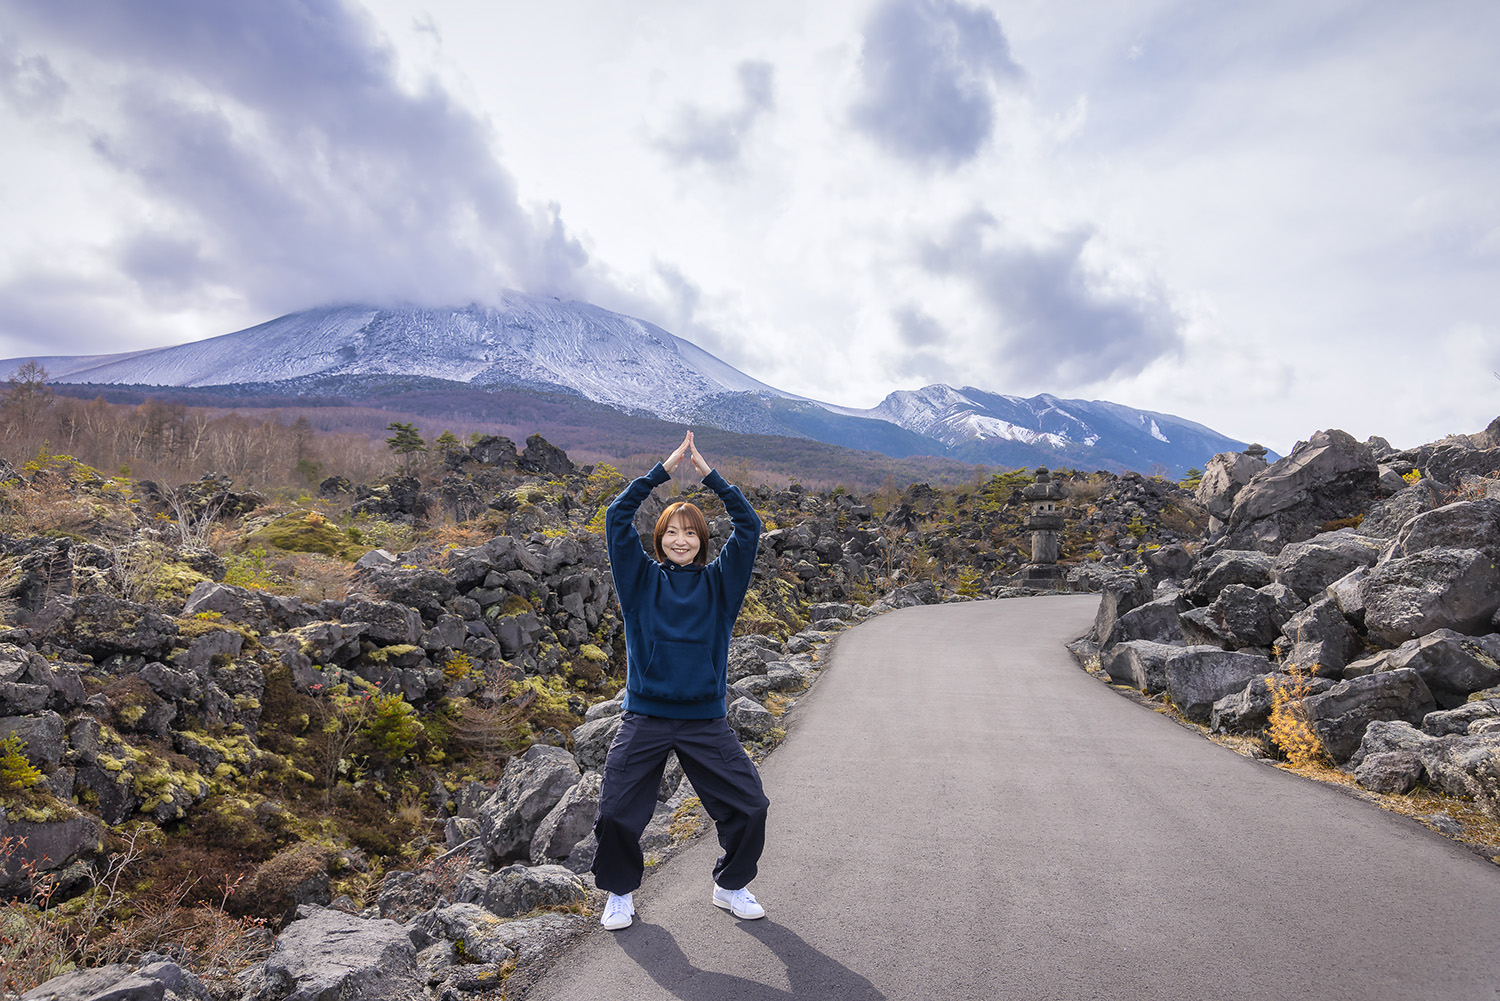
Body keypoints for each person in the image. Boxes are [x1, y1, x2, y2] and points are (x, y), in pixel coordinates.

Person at [592, 431, 770, 931]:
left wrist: (710, 476)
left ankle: (730, 884)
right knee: (615, 813)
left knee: (751, 806)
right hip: (646, 716)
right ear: (660, 537)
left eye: (691, 532)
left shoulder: (720, 584)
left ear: (702, 541)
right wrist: (660, 473)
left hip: (704, 721)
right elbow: (615, 518)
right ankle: (620, 893)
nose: (681, 539)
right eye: (672, 530)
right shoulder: (640, 581)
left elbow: (750, 527)